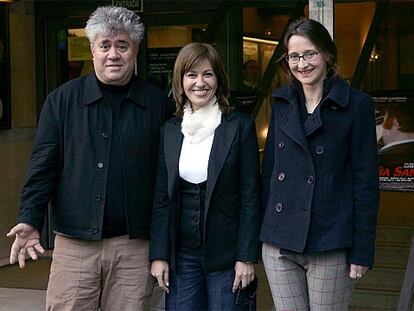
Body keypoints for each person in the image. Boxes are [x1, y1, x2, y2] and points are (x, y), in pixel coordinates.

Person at [6, 6, 174, 311]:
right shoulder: (62, 101)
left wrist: (162, 246)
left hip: (134, 247)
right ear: (92, 49)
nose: (113, 54)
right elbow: (42, 167)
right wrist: (30, 219)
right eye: (105, 45)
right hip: (75, 245)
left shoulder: (157, 105)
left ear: (135, 50)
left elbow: (165, 184)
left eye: (122, 46)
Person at [260, 18, 380, 310]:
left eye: (310, 54)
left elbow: (366, 184)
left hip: (329, 241)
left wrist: (361, 250)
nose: (302, 63)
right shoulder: (281, 102)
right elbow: (270, 173)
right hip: (279, 242)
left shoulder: (356, 104)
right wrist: (258, 235)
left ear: (327, 54)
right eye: (294, 56)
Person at [149, 42, 261, 311]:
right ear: (180, 80)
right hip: (182, 257)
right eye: (191, 75)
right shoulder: (170, 129)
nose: (200, 83)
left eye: (208, 74)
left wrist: (246, 257)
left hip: (227, 256)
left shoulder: (239, 126)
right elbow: (162, 198)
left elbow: (250, 197)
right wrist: (159, 254)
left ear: (219, 79)